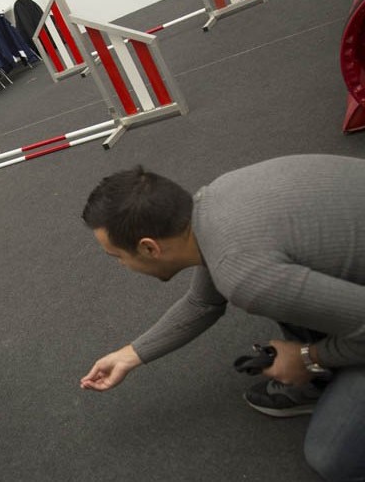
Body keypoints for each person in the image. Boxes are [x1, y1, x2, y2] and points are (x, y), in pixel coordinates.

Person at [79, 155, 365, 481]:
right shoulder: (214, 201)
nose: (121, 266)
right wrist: (130, 355)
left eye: (117, 257)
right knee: (283, 281)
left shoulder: (242, 272)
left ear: (148, 248)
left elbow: (244, 277)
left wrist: (308, 358)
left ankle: (324, 371)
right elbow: (203, 303)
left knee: (331, 456)